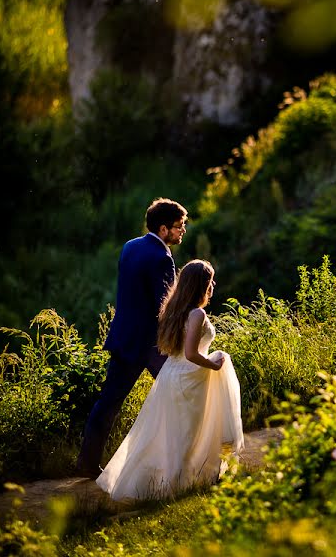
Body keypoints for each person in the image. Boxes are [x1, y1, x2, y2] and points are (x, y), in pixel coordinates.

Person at [97, 259, 244, 500]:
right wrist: (214, 364)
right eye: (210, 281)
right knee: (186, 434)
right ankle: (174, 486)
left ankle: (169, 481)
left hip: (171, 375)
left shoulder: (175, 309)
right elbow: (191, 353)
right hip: (188, 379)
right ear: (201, 284)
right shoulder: (197, 313)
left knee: (171, 433)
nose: (213, 285)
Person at [76, 198, 188, 478]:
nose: (182, 231)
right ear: (163, 229)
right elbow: (164, 308)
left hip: (124, 338)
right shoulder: (161, 258)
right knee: (180, 395)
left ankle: (87, 463)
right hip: (152, 345)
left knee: (108, 403)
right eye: (179, 226)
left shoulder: (130, 247)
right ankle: (183, 460)